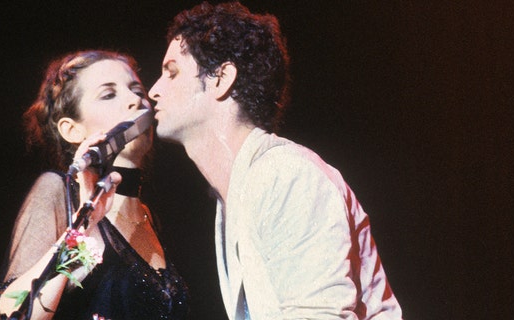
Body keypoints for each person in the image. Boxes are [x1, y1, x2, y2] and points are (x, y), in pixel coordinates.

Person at [148, 2, 403, 319]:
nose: (154, 90)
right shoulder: (238, 191)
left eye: (171, 72)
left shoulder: (286, 175)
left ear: (221, 78)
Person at [0, 50, 189, 320]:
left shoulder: (148, 217)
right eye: (108, 95)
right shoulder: (58, 194)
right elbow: (12, 311)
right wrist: (84, 227)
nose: (135, 101)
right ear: (72, 130)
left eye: (137, 90)